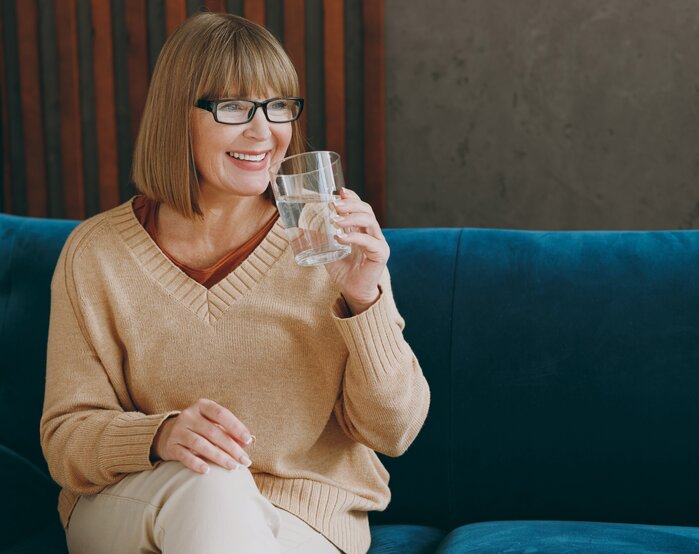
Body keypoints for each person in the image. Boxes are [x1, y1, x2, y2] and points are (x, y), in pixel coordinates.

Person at [40, 12, 430, 554]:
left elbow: (395, 430)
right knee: (211, 480)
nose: (263, 131)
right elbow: (66, 438)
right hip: (136, 500)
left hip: (301, 520)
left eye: (278, 107)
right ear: (178, 117)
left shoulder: (329, 242)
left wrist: (365, 297)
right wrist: (159, 436)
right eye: (232, 108)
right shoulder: (96, 253)